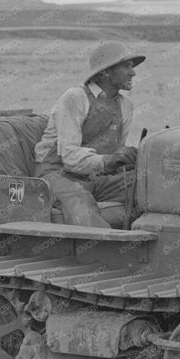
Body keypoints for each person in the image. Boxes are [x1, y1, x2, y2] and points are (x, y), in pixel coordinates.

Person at [31, 40, 144, 229]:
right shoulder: (75, 98)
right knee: (82, 204)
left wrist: (129, 158)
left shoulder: (126, 105)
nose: (133, 72)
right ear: (106, 72)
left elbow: (115, 153)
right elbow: (69, 157)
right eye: (126, 67)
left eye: (131, 67)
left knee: (149, 184)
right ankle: (104, 252)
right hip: (59, 174)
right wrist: (109, 159)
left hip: (96, 177)